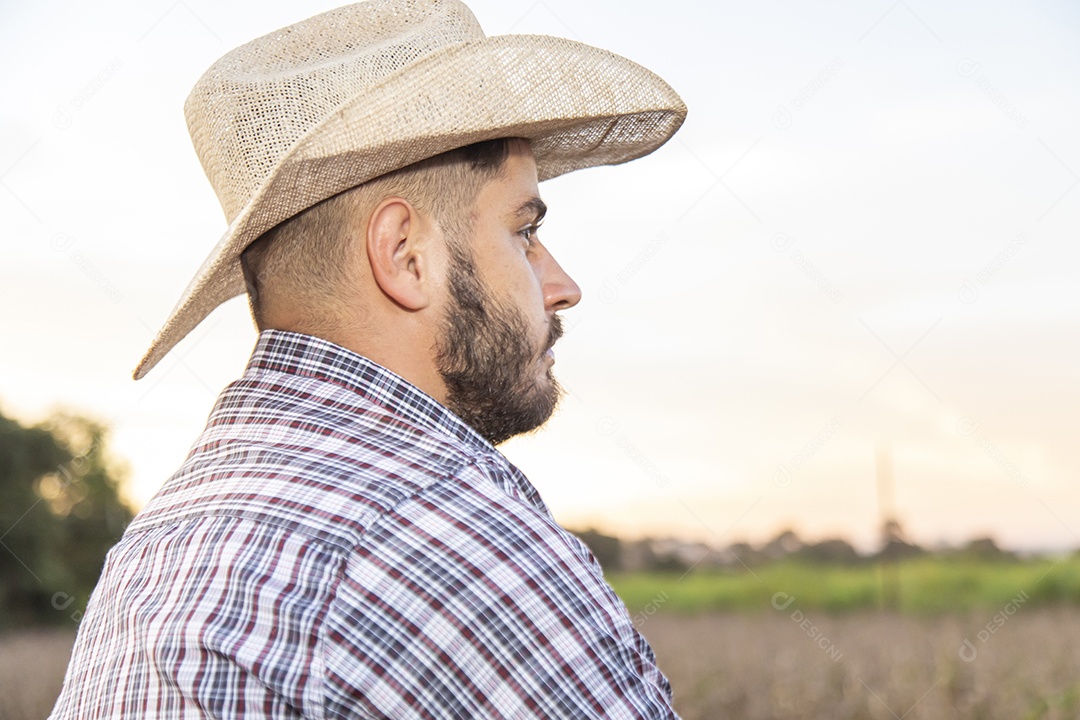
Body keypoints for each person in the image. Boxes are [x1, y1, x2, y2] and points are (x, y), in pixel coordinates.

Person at [50, 0, 686, 717]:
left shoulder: (155, 551)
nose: (562, 287)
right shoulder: (449, 541)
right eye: (525, 231)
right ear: (404, 255)